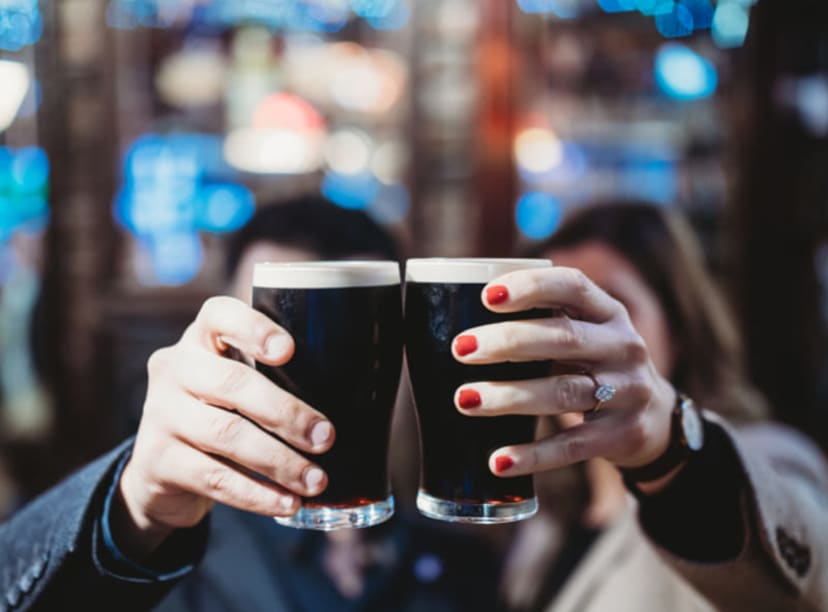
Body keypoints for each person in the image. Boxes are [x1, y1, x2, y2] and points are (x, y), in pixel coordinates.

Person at [1, 197, 827, 611]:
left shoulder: (473, 539)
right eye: (268, 332)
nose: (569, 333)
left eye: (600, 308)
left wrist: (673, 438)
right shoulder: (172, 542)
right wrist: (131, 505)